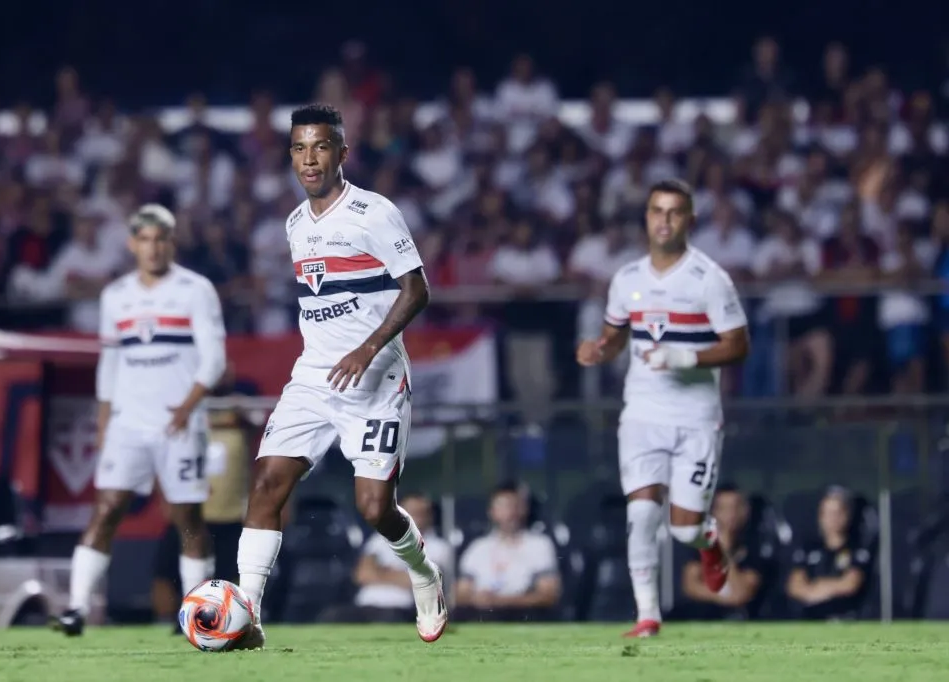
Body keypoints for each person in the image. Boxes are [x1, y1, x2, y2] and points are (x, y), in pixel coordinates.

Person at [234, 104, 445, 649]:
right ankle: (248, 617)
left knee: (374, 508)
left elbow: (417, 289)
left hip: (375, 381)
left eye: (321, 147)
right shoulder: (295, 223)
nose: (310, 159)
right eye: (300, 148)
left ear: (342, 153)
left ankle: (423, 573)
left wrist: (368, 347)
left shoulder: (373, 213)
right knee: (264, 486)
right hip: (313, 379)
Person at [576, 179, 751, 638]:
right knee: (641, 515)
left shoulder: (709, 278)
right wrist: (600, 349)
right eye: (657, 211)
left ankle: (709, 542)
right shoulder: (627, 278)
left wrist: (687, 357)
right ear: (647, 218)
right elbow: (616, 336)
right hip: (642, 415)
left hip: (695, 418)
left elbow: (738, 345)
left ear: (690, 221)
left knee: (682, 530)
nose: (664, 220)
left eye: (675, 212)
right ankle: (648, 616)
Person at [53, 204, 227, 636]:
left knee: (186, 516)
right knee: (107, 508)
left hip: (180, 423)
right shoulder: (116, 296)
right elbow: (109, 366)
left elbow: (215, 358)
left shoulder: (195, 289)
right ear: (133, 244)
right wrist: (104, 422)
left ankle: (198, 612)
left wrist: (188, 406)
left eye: (161, 239)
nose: (153, 248)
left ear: (172, 242)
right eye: (145, 240)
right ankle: (76, 607)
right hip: (129, 423)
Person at [319, 494, 454, 624]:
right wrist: (399, 574)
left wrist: (380, 572)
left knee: (389, 620)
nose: (414, 518)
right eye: (410, 512)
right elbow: (362, 574)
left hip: (401, 609)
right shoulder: (380, 540)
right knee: (332, 616)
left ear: (429, 517)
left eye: (420, 513)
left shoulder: (439, 547)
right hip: (364, 606)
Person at [454, 483, 562, 622]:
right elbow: (460, 594)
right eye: (503, 506)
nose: (510, 513)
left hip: (524, 618)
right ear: (492, 511)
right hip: (481, 618)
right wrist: (478, 599)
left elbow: (548, 595)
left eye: (515, 506)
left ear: (525, 509)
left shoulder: (540, 545)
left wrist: (501, 601)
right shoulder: (478, 548)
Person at [678, 484, 771, 620]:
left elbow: (741, 593)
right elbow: (690, 586)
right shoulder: (701, 542)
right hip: (702, 615)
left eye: (736, 507)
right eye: (724, 509)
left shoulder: (757, 547)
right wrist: (725, 597)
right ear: (714, 512)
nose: (731, 515)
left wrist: (724, 551)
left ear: (746, 510)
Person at [786, 486, 873, 620]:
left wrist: (821, 587)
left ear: (847, 515)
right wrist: (811, 593)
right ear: (821, 516)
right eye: (828, 513)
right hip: (810, 618)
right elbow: (795, 585)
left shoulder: (857, 549)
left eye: (838, 513)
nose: (833, 519)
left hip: (845, 618)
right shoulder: (809, 548)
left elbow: (850, 583)